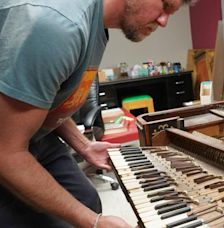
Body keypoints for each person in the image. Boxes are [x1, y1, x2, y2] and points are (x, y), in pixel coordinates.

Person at [0, 0, 194, 227]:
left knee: (87, 199)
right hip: (9, 147)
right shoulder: (59, 27)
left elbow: (46, 101)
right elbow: (7, 152)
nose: (164, 21)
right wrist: (92, 222)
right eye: (165, 4)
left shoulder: (95, 24)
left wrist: (85, 147)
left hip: (31, 136)